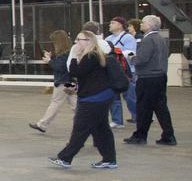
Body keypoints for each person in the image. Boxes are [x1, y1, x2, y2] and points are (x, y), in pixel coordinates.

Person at [48, 31, 125, 169]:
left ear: (89, 41)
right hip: (101, 96)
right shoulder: (96, 55)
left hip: (93, 99)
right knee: (101, 129)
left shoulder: (90, 56)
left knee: (81, 129)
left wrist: (73, 55)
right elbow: (88, 77)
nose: (76, 42)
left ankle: (65, 158)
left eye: (79, 39)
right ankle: (109, 159)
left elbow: (75, 72)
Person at [125, 15, 177, 146]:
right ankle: (168, 135)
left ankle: (140, 136)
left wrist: (130, 57)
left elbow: (142, 59)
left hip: (148, 78)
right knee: (160, 107)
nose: (141, 24)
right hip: (160, 76)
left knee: (144, 107)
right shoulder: (160, 38)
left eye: (143, 22)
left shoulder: (148, 40)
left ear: (149, 25)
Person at [29, 30, 75, 133]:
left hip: (63, 82)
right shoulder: (69, 52)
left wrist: (49, 61)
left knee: (55, 103)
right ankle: (89, 122)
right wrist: (51, 58)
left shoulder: (63, 55)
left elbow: (59, 67)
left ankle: (42, 124)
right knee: (76, 105)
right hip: (70, 82)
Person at [104, 16, 137, 128]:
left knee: (130, 96)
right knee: (114, 97)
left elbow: (131, 53)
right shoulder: (108, 38)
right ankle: (117, 120)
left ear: (120, 25)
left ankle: (138, 116)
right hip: (113, 71)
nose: (110, 25)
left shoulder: (128, 38)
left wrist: (117, 52)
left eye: (112, 23)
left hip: (126, 71)